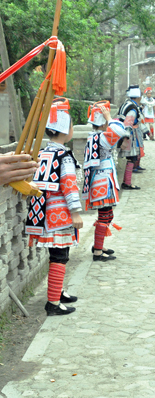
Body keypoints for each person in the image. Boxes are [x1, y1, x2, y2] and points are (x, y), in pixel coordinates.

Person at [25, 98, 82, 316]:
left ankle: (58, 292)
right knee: (60, 255)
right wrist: (75, 212)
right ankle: (53, 303)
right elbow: (69, 186)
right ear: (65, 130)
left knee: (57, 255)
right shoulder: (64, 156)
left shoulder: (43, 153)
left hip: (43, 211)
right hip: (59, 213)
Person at [83, 101, 129, 262]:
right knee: (104, 215)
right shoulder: (102, 138)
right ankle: (97, 251)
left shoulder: (95, 137)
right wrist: (110, 118)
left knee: (107, 214)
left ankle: (99, 245)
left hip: (102, 178)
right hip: (103, 180)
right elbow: (119, 130)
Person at [117, 84, 147, 190]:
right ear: (138, 97)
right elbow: (128, 123)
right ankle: (127, 183)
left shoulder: (127, 104)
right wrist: (125, 138)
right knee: (131, 158)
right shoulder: (132, 108)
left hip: (128, 132)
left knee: (131, 159)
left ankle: (127, 182)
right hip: (130, 134)